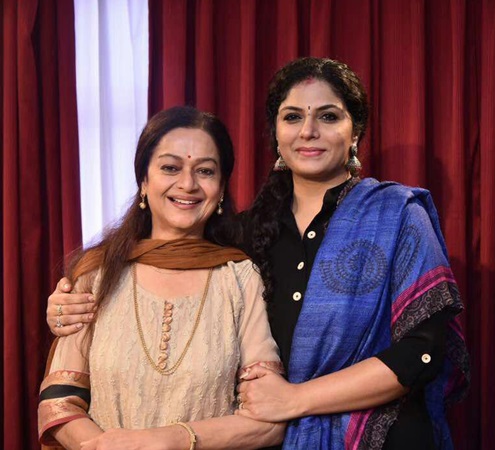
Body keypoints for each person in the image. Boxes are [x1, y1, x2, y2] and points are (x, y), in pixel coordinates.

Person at [47, 58, 470, 449]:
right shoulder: (243, 239)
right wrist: (69, 306)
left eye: (328, 116)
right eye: (293, 117)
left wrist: (295, 399)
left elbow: (422, 353)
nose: (308, 131)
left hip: (383, 436)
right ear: (276, 133)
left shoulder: (396, 216)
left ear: (355, 130)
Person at [38, 106, 285, 450]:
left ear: (221, 189)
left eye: (205, 171)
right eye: (170, 167)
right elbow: (59, 402)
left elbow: (268, 420)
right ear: (144, 181)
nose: (187, 184)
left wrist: (167, 440)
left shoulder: (241, 279)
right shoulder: (97, 274)